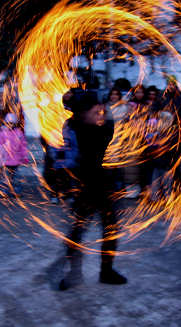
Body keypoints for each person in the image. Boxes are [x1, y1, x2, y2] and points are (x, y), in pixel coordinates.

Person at [59, 91, 126, 290]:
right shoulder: (95, 127)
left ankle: (103, 272)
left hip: (97, 184)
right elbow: (70, 155)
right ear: (83, 110)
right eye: (95, 108)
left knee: (105, 229)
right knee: (81, 231)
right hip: (90, 185)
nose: (100, 110)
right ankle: (81, 273)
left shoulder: (72, 125)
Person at [0, 113, 28, 192]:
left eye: (12, 123)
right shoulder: (2, 133)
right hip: (6, 160)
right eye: (8, 123)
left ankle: (16, 190)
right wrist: (0, 155)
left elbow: (23, 146)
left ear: (15, 123)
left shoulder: (19, 133)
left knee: (16, 178)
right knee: (5, 177)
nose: (10, 125)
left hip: (16, 160)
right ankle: (4, 191)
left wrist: (25, 156)